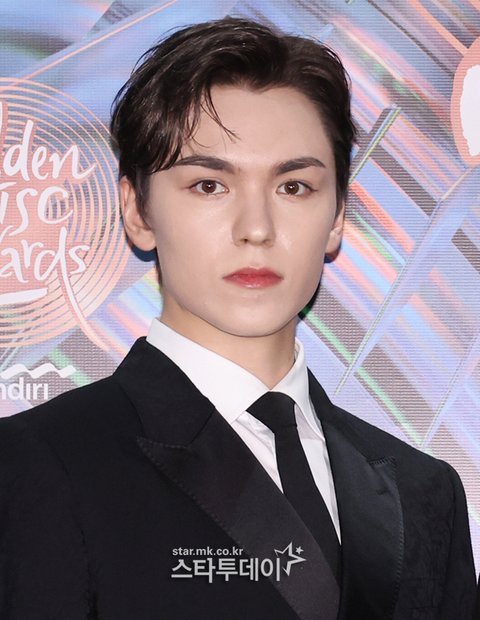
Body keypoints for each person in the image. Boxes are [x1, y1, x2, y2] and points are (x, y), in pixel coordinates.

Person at [0, 17, 477, 620]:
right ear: (137, 210)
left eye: (294, 187)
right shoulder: (38, 463)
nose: (256, 229)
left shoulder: (425, 490)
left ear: (337, 216)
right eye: (208, 185)